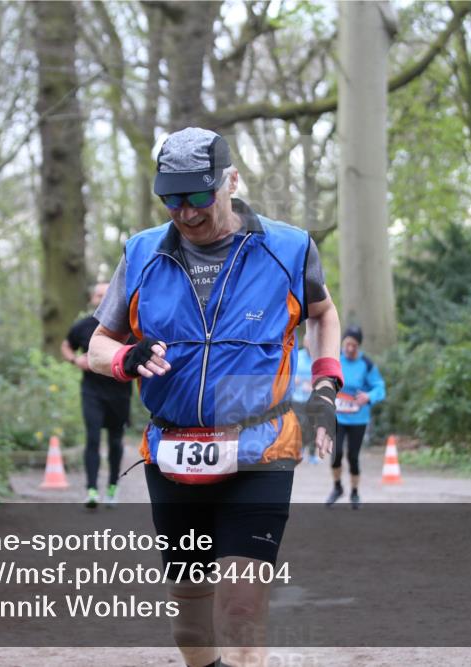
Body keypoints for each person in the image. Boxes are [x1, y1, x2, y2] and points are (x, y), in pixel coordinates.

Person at [88, 127, 342, 667]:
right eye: (171, 198)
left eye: (199, 196)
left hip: (260, 451)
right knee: (190, 622)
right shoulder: (140, 254)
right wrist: (123, 359)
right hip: (173, 454)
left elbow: (322, 313)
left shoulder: (288, 248)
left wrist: (324, 384)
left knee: (242, 612)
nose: (186, 212)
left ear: (230, 181)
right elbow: (98, 343)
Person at [60, 282, 132, 509]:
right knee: (92, 439)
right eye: (99, 295)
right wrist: (75, 360)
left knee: (115, 441)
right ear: (92, 299)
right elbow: (65, 345)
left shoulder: (128, 325)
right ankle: (91, 490)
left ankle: (112, 487)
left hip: (120, 393)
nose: (103, 298)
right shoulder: (83, 326)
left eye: (107, 294)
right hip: (91, 392)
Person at [326, 325, 385, 510]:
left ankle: (355, 492)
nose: (350, 348)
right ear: (343, 343)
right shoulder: (336, 360)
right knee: (336, 455)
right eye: (347, 344)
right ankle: (337, 488)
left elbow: (380, 387)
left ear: (359, 346)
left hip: (359, 419)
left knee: (353, 456)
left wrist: (369, 397)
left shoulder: (366, 364)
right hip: (338, 417)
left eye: (354, 345)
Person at [291, 334, 320, 464]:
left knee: (313, 426)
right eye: (307, 342)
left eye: (311, 342)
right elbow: (288, 373)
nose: (309, 344)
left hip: (312, 399)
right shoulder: (297, 355)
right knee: (301, 425)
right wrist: (293, 379)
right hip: (297, 398)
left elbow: (322, 378)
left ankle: (313, 454)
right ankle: (300, 449)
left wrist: (313, 385)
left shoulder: (318, 359)